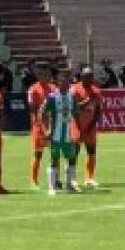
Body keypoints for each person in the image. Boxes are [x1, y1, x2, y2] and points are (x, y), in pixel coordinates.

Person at [42, 66, 81, 194]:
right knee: (54, 159)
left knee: (71, 157)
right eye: (62, 81)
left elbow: (76, 113)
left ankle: (69, 184)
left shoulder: (72, 96)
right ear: (57, 82)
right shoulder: (52, 97)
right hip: (55, 134)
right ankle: (51, 187)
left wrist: (78, 130)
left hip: (68, 134)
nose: (65, 83)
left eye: (67, 81)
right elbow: (42, 113)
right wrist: (45, 129)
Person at [72, 64, 104, 187]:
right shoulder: (74, 89)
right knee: (74, 152)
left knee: (91, 151)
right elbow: (75, 108)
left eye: (90, 76)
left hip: (90, 126)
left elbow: (98, 111)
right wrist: (88, 100)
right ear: (81, 77)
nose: (89, 79)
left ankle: (89, 178)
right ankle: (72, 178)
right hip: (76, 125)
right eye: (86, 76)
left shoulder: (96, 91)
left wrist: (91, 126)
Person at [26, 65, 57, 191]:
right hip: (39, 126)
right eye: (44, 74)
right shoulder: (33, 90)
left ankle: (55, 179)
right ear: (39, 75)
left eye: (48, 74)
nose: (47, 77)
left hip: (53, 126)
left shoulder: (54, 88)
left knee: (55, 154)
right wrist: (43, 122)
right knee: (38, 153)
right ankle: (34, 181)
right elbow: (33, 109)